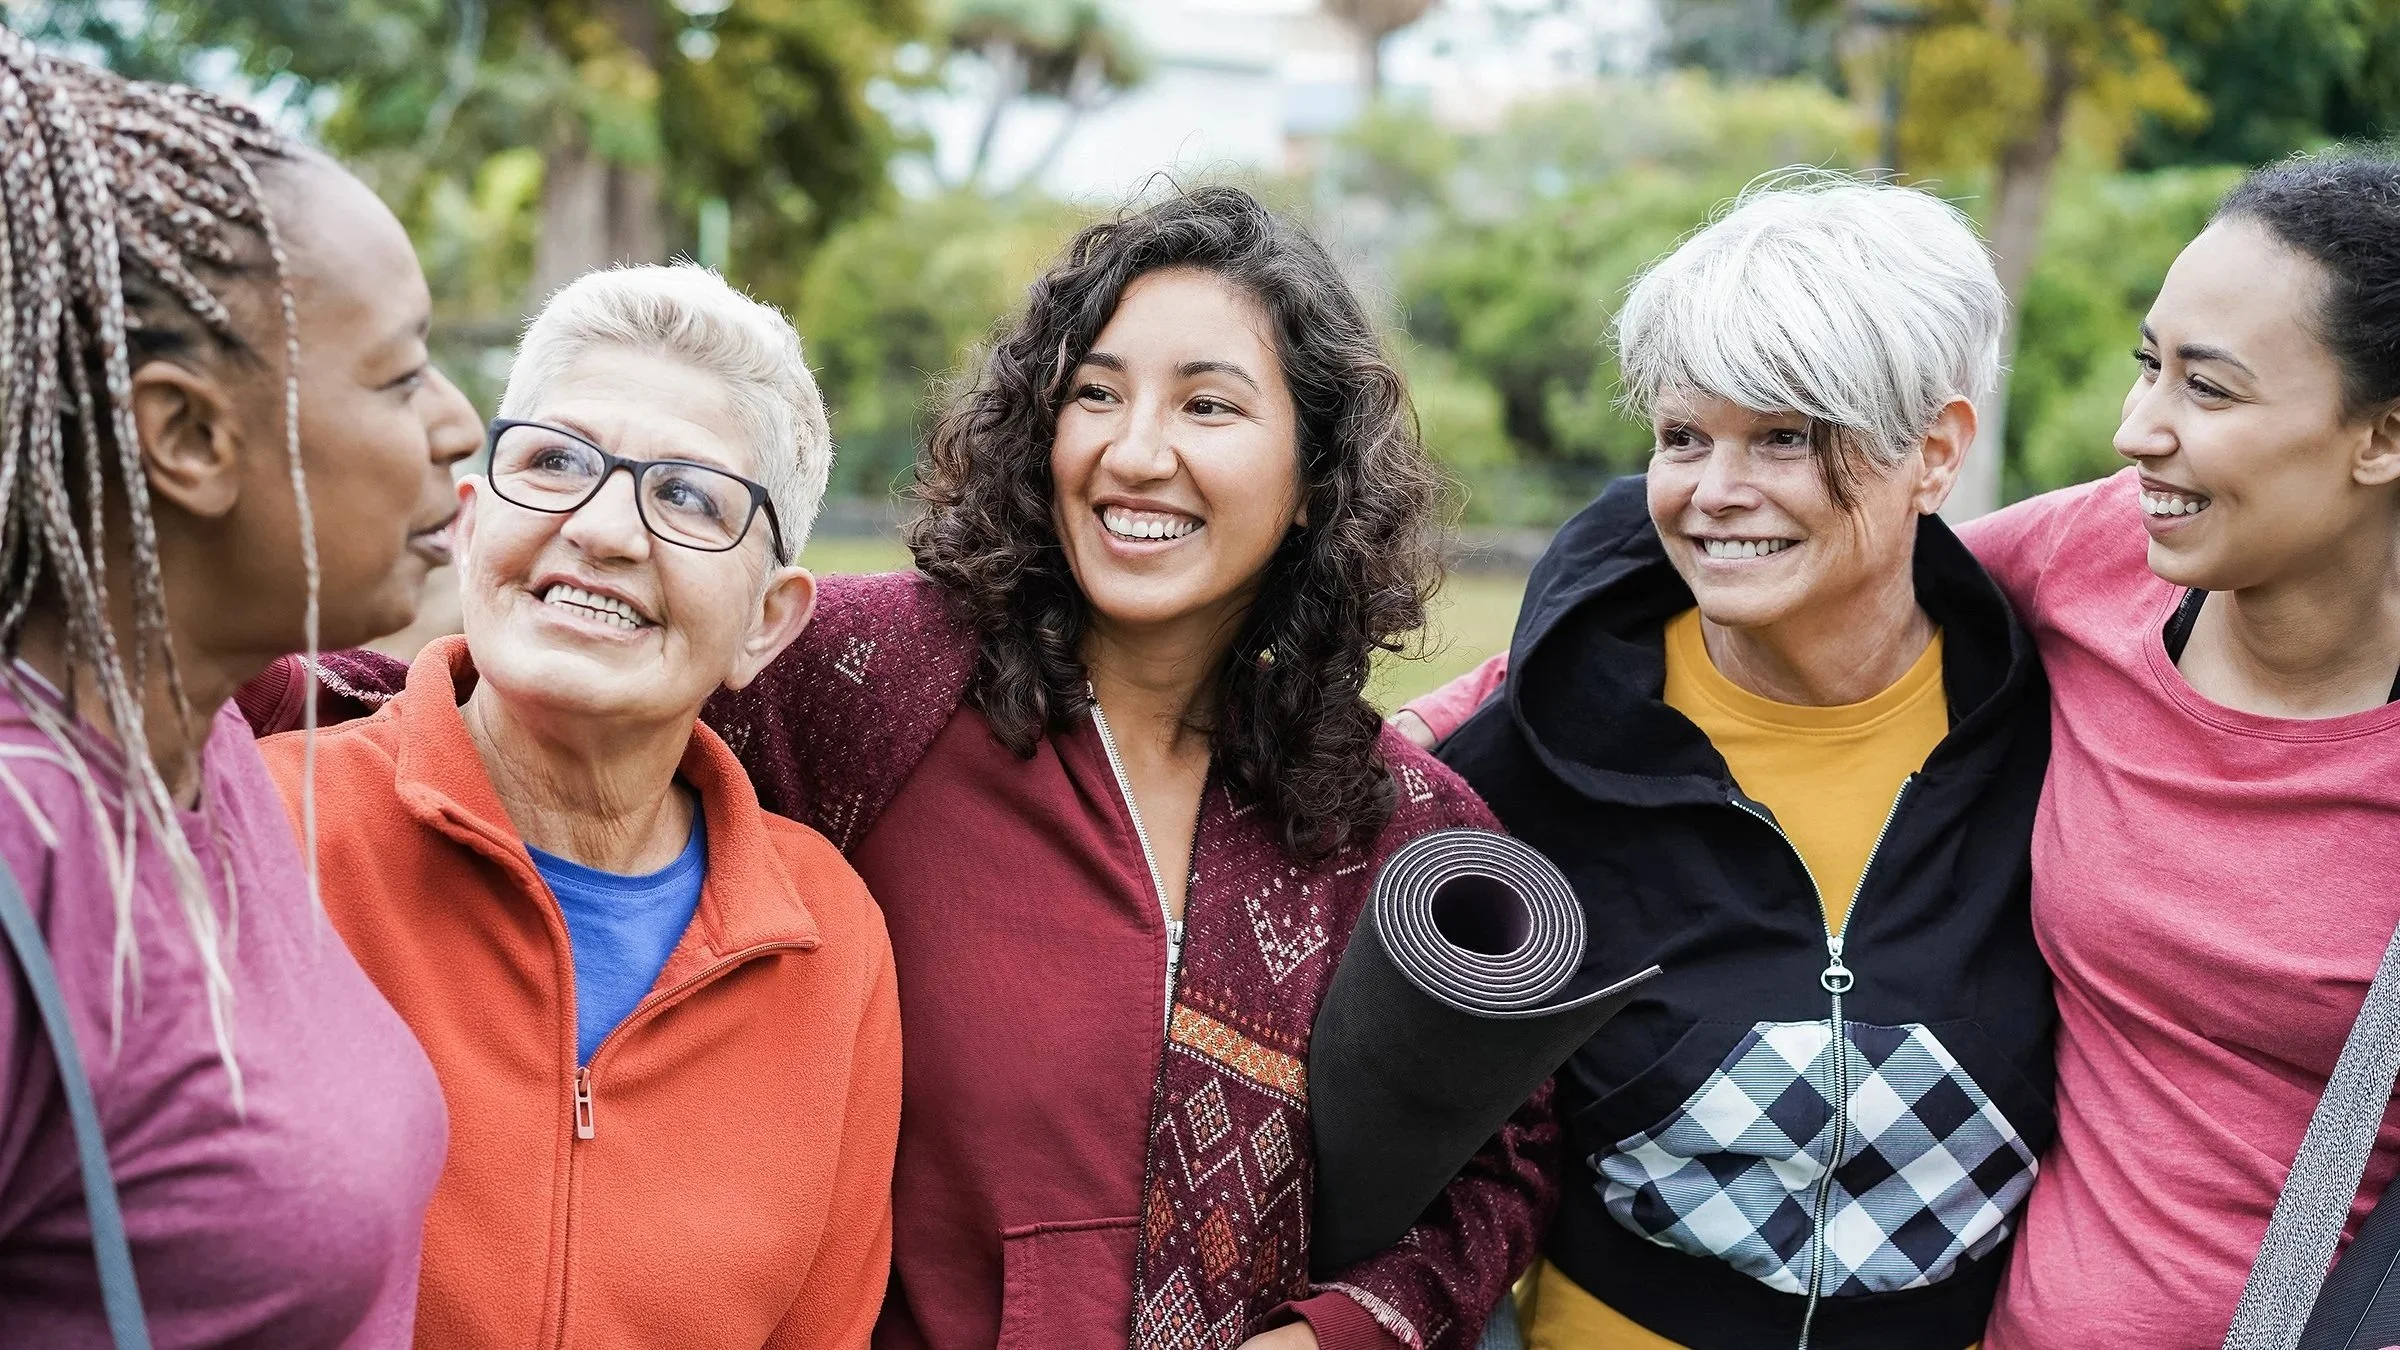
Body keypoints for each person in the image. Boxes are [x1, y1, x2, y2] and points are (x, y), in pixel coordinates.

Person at [250, 185, 1552, 1350]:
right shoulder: (883, 675)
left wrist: (1330, 1336)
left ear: (1316, 478)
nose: (1136, 448)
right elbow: (552, 692)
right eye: (1095, 392)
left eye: (1207, 404)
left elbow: (1509, 1155)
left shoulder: (1378, 818)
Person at [1401, 177, 2055, 1349]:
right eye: (1681, 436)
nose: (1714, 493)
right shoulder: (1517, 762)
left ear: (1937, 450)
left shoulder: (2065, 739)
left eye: (1785, 437)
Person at [237, 264, 901, 1349]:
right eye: (553, 462)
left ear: (768, 624)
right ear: (467, 525)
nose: (602, 529)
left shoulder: (831, 939)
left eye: (689, 495)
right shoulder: (261, 835)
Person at [0, 35, 476, 1347]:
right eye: (399, 373)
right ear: (188, 438)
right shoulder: (25, 843)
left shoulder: (195, 742)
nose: (459, 426)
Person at [1956, 153, 2400, 1349]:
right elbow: (1834, 596)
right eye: (2149, 363)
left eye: (2208, 389)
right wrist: (1427, 735)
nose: (2135, 430)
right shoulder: (2093, 556)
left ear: (2384, 436)